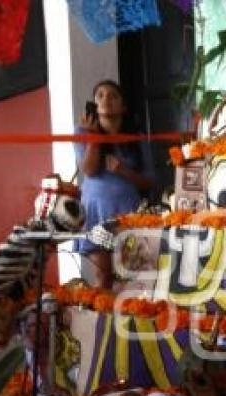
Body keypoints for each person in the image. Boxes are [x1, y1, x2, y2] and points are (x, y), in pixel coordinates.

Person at [75, 80, 155, 289]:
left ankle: (132, 318)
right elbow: (89, 170)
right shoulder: (82, 133)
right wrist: (93, 138)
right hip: (96, 212)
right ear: (94, 104)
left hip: (128, 213)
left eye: (113, 96)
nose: (106, 100)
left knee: (134, 279)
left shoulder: (135, 138)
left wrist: (123, 171)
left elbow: (149, 181)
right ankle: (103, 321)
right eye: (100, 95)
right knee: (103, 279)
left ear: (123, 106)